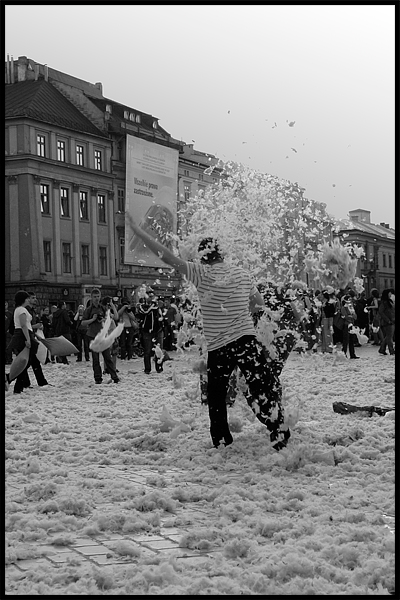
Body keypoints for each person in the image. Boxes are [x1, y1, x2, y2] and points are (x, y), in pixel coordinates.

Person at [128, 218, 291, 451]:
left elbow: (167, 257)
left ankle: (222, 440)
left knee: (216, 395)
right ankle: (278, 430)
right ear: (221, 254)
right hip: (246, 339)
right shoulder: (242, 274)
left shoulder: (200, 273)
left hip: (219, 346)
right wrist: (240, 310)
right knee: (262, 386)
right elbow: (259, 304)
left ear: (203, 256)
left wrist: (140, 233)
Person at [6, 290, 48, 393]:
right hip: (23, 336)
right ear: (24, 299)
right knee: (25, 362)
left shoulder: (19, 309)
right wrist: (28, 339)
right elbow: (24, 326)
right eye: (28, 298)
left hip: (23, 335)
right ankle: (11, 380)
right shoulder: (22, 310)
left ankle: (15, 384)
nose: (29, 299)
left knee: (26, 362)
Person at [81, 288, 120, 384]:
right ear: (91, 297)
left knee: (108, 357)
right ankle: (98, 378)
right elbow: (83, 323)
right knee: (95, 359)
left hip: (102, 336)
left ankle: (114, 376)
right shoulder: (88, 310)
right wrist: (92, 319)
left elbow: (113, 317)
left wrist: (103, 320)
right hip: (92, 336)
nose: (96, 299)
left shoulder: (103, 308)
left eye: (98, 296)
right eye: (94, 297)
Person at [136, 294, 165, 374]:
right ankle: (147, 369)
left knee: (159, 351)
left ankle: (159, 367)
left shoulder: (157, 307)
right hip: (147, 331)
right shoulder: (143, 307)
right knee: (147, 351)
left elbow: (161, 316)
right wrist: (153, 305)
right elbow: (145, 312)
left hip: (158, 330)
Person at [340, 294, 359, 359]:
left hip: (351, 325)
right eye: (349, 299)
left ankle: (352, 354)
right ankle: (344, 354)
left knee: (351, 340)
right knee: (346, 340)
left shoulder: (351, 308)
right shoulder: (343, 308)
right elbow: (345, 316)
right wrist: (351, 316)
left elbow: (355, 317)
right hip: (346, 325)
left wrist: (351, 316)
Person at [378, 288, 395, 356]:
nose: (390, 294)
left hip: (392, 320)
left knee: (388, 336)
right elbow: (381, 312)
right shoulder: (384, 303)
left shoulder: (390, 301)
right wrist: (387, 320)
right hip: (387, 322)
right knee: (389, 337)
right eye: (389, 293)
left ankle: (382, 349)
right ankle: (391, 350)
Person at [320, 288, 336, 353]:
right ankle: (324, 348)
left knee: (328, 334)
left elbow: (332, 312)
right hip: (323, 319)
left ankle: (329, 348)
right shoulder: (323, 303)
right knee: (323, 334)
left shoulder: (329, 303)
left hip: (328, 319)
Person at [5, 300, 14, 365]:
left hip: (8, 332)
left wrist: (10, 330)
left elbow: (12, 323)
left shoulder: (10, 314)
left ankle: (9, 359)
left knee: (8, 346)